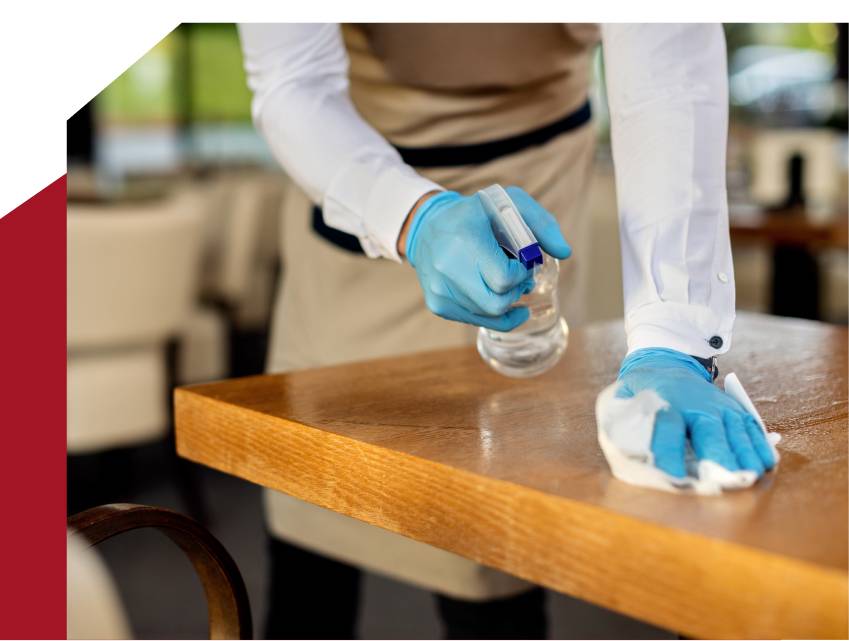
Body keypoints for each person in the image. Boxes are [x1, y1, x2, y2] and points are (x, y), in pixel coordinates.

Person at [238, 23, 775, 639]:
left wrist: (672, 339)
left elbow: (667, 71)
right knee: (315, 526)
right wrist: (415, 217)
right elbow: (292, 83)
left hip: (533, 176)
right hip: (352, 179)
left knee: (492, 547)